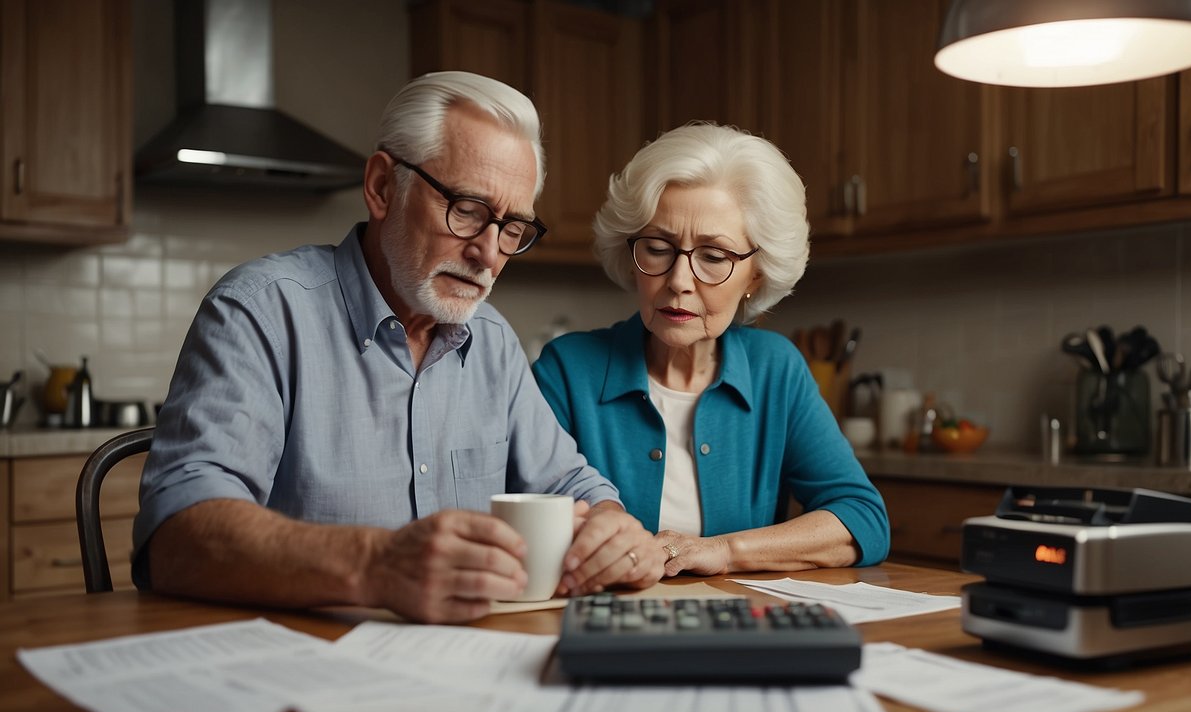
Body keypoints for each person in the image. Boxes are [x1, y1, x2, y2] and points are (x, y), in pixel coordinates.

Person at [133, 71, 664, 623]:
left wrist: (610, 525)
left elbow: (566, 484)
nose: (488, 253)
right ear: (384, 187)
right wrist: (376, 564)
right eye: (467, 210)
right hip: (300, 667)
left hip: (468, 665)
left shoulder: (494, 343)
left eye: (511, 228)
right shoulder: (261, 312)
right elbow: (177, 535)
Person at [532, 122, 890, 576]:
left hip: (735, 629)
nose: (679, 281)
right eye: (658, 248)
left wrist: (722, 550)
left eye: (714, 256)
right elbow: (529, 516)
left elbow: (862, 519)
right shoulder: (567, 369)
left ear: (755, 275)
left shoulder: (774, 370)